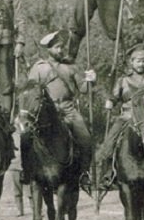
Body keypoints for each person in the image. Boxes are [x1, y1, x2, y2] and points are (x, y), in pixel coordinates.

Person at [25, 29, 95, 181]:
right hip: (46, 112)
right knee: (27, 137)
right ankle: (29, 170)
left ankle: (84, 172)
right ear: (48, 49)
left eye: (62, 47)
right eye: (57, 47)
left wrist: (91, 80)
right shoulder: (39, 67)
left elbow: (83, 90)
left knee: (85, 137)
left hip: (68, 109)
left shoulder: (70, 67)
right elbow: (31, 90)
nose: (60, 50)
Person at [95, 44, 144, 167]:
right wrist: (110, 102)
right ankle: (106, 176)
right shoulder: (123, 81)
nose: (141, 64)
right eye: (138, 61)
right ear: (131, 62)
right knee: (109, 142)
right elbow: (114, 97)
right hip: (127, 117)